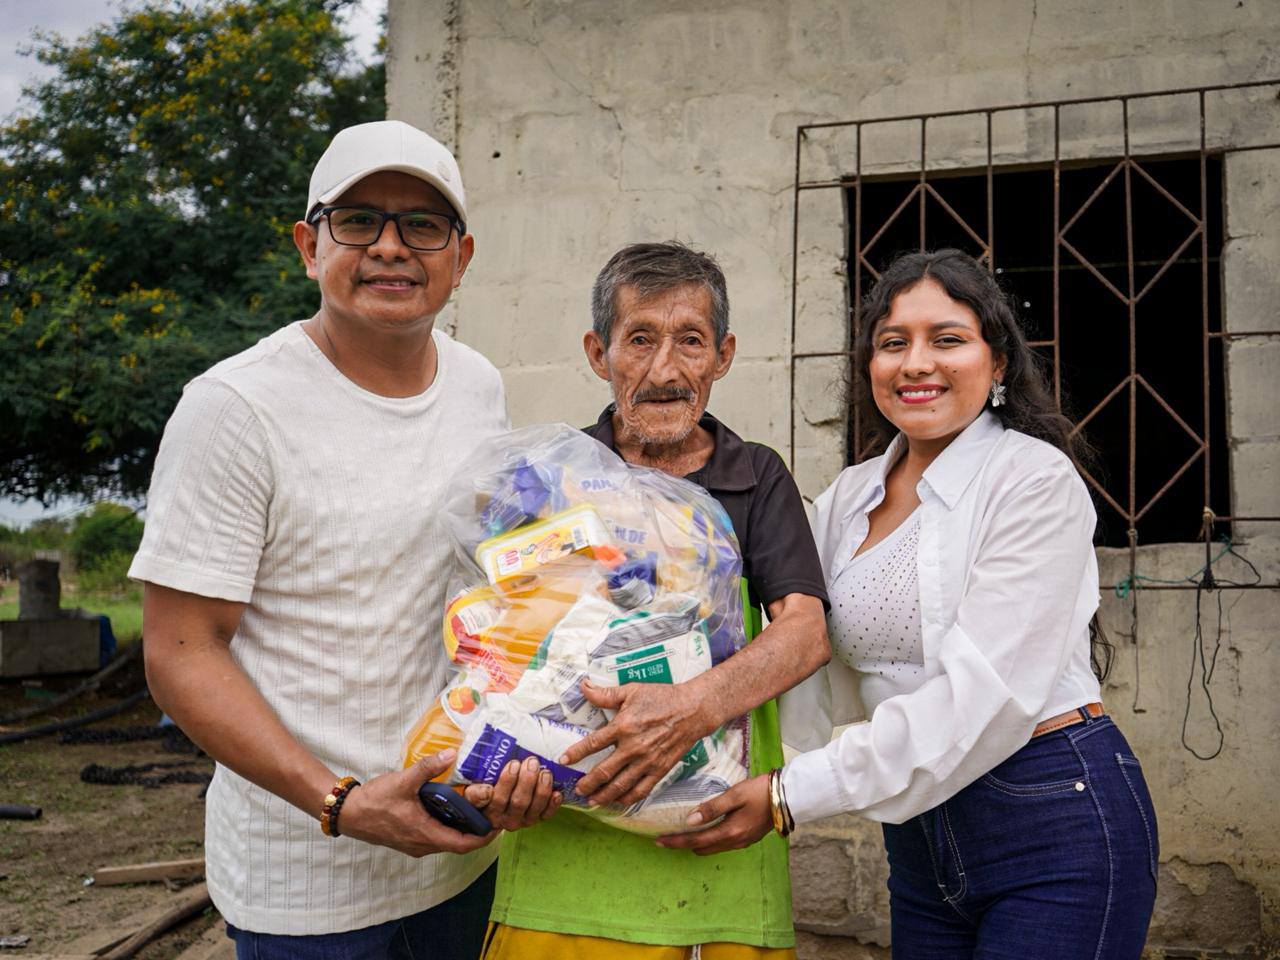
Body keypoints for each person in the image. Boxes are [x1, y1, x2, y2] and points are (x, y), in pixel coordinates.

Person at [129, 120, 553, 958]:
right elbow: (179, 652)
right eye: (359, 221)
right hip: (306, 889)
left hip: (460, 857)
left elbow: (486, 587)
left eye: (422, 225)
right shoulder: (235, 410)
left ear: (461, 257)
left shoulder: (478, 386)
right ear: (308, 245)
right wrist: (341, 802)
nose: (391, 247)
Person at [662, 249, 1159, 958]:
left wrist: (787, 794)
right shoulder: (849, 498)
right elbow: (781, 641)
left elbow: (982, 698)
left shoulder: (1033, 482)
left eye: (947, 339)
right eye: (893, 343)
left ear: (998, 363)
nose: (916, 363)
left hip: (1051, 814)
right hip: (920, 837)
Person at [481, 241, 831, 959]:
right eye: (640, 339)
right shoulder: (550, 480)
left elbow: (804, 632)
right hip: (563, 875)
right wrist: (497, 768)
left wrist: (688, 710)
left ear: (723, 356)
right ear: (598, 353)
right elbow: (493, 646)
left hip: (716, 855)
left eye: (690, 341)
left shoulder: (755, 475)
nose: (666, 370)